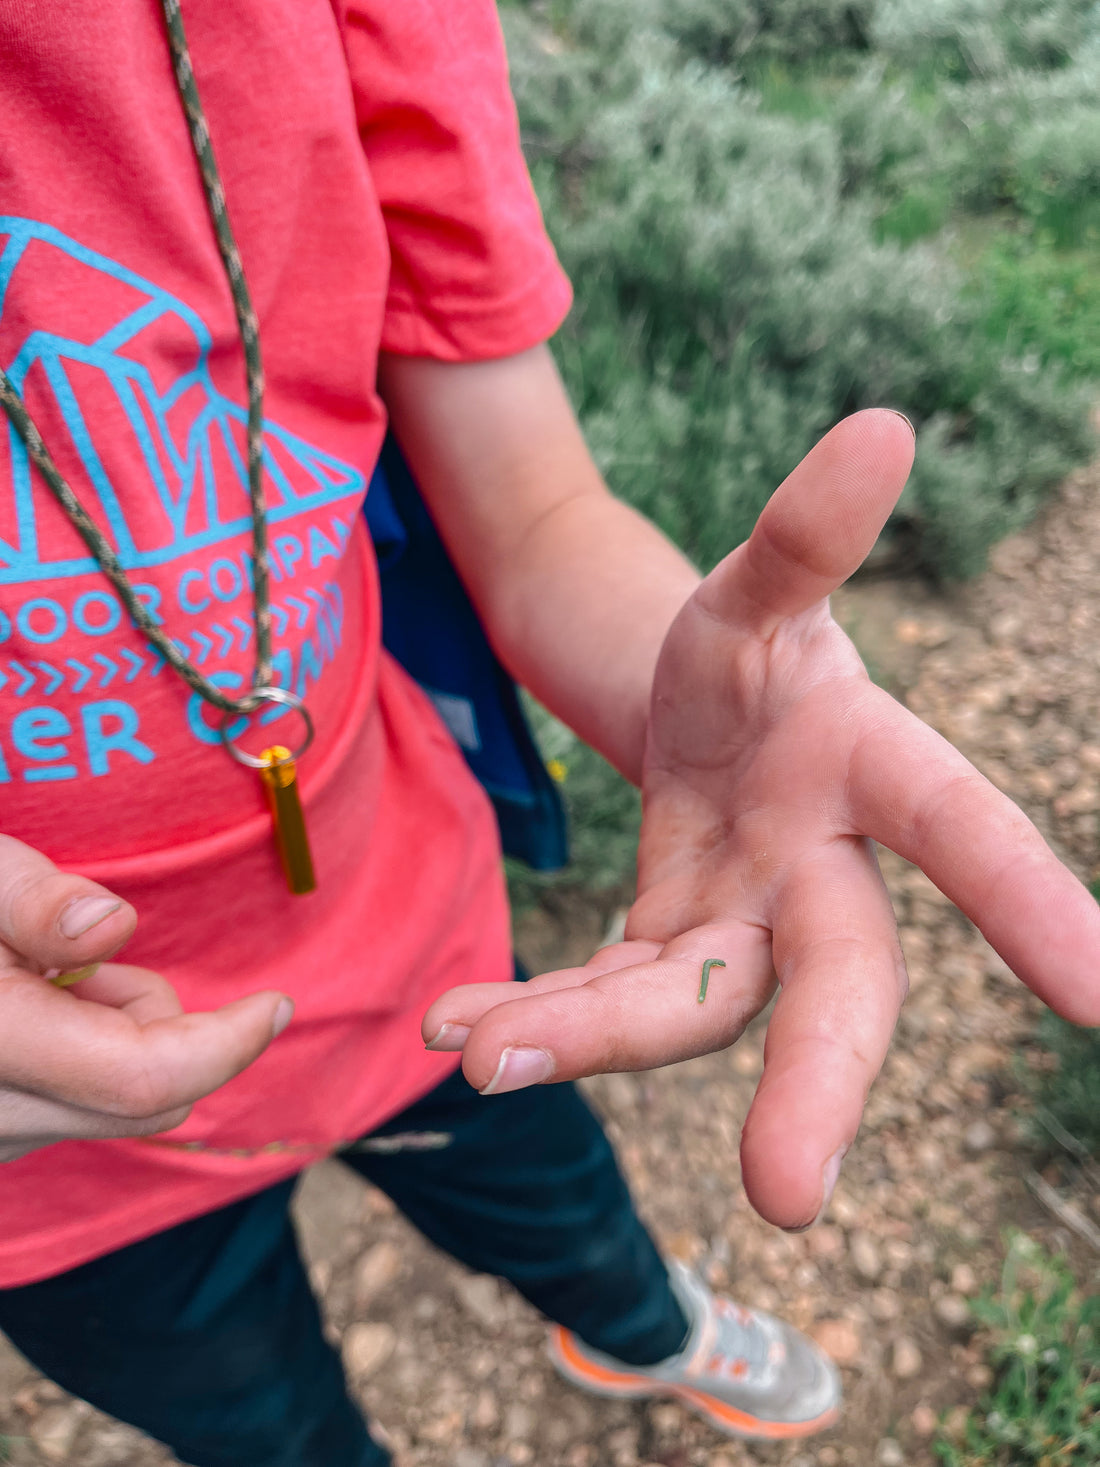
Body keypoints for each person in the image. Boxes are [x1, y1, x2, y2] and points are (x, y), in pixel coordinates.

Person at [0, 3, 1096, 1464]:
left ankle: (642, 1329)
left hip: (419, 955)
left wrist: (696, 697)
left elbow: (534, 507)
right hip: (46, 1164)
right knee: (260, 1426)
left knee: (566, 1203)